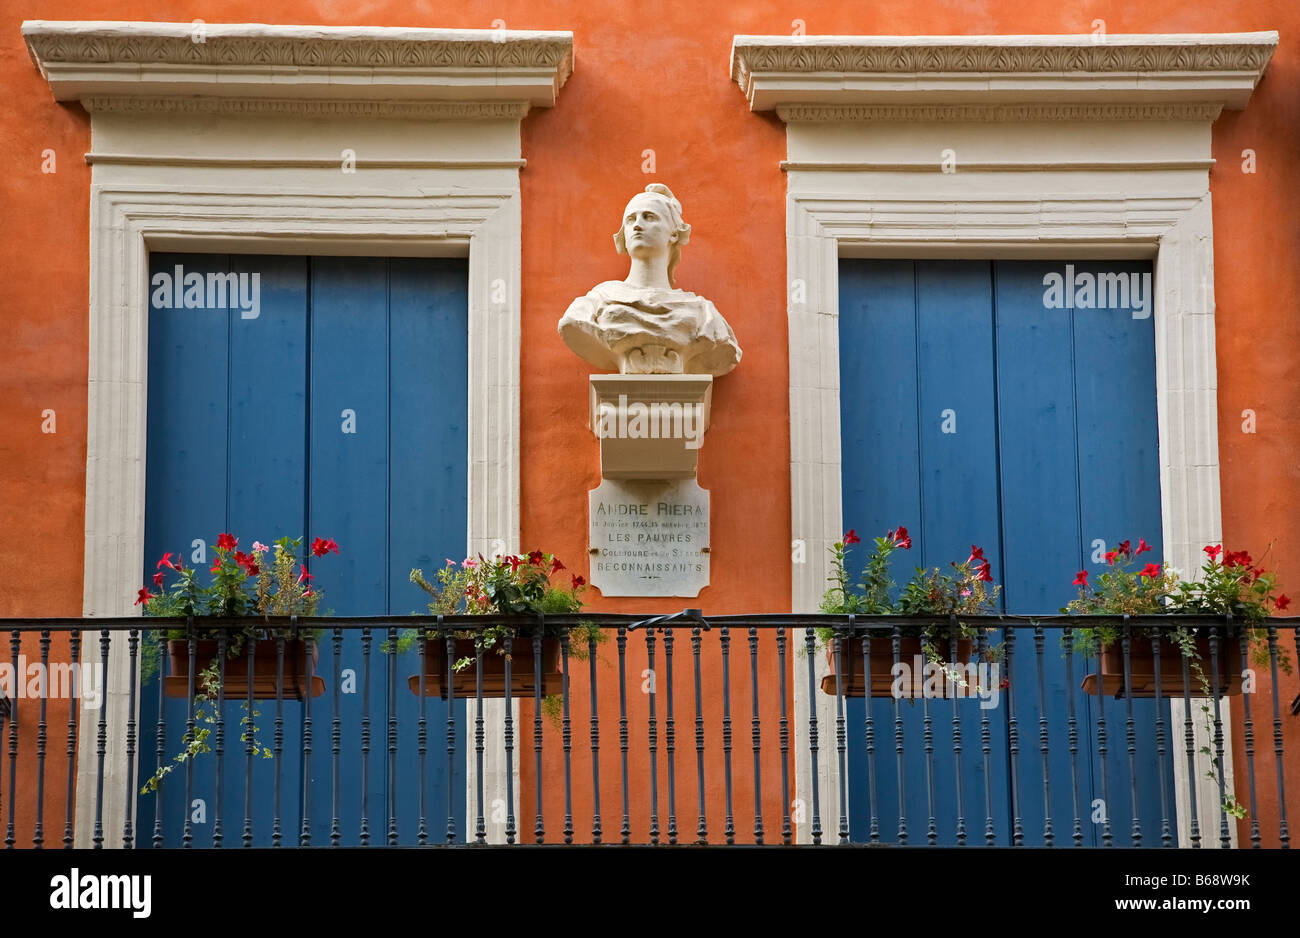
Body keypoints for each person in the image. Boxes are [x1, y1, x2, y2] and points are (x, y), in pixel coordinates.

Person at [558, 184, 741, 376]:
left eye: (649, 217)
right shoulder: (594, 303)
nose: (637, 225)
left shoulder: (703, 313)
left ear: (674, 234)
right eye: (630, 220)